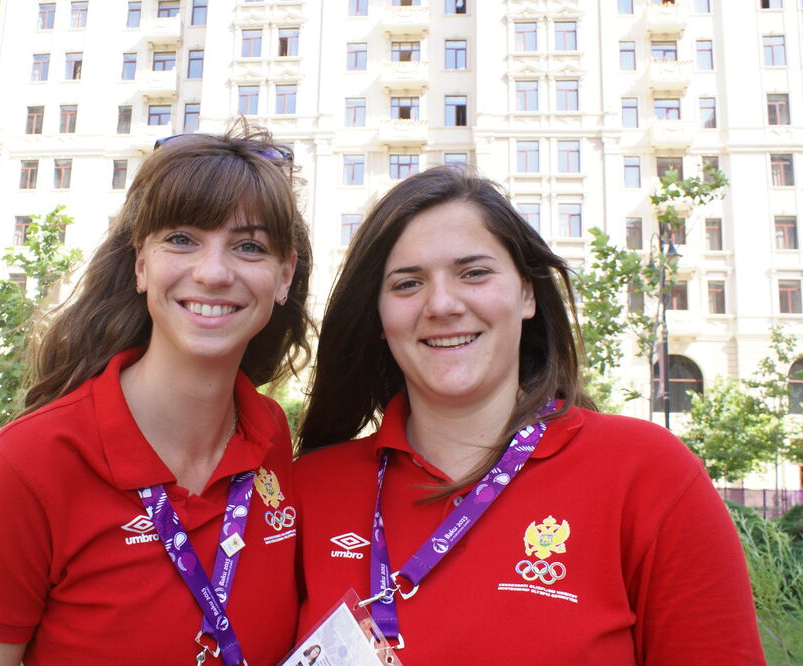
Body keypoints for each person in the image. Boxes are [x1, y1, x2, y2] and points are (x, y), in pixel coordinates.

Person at [293, 166, 765, 664]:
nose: (442, 304)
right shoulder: (310, 488)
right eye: (407, 284)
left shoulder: (646, 473)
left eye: (474, 273)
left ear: (527, 294)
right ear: (379, 319)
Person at [0, 127, 312, 665]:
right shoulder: (30, 464)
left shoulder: (271, 434)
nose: (212, 272)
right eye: (181, 239)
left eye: (249, 246)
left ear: (284, 275)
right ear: (141, 264)